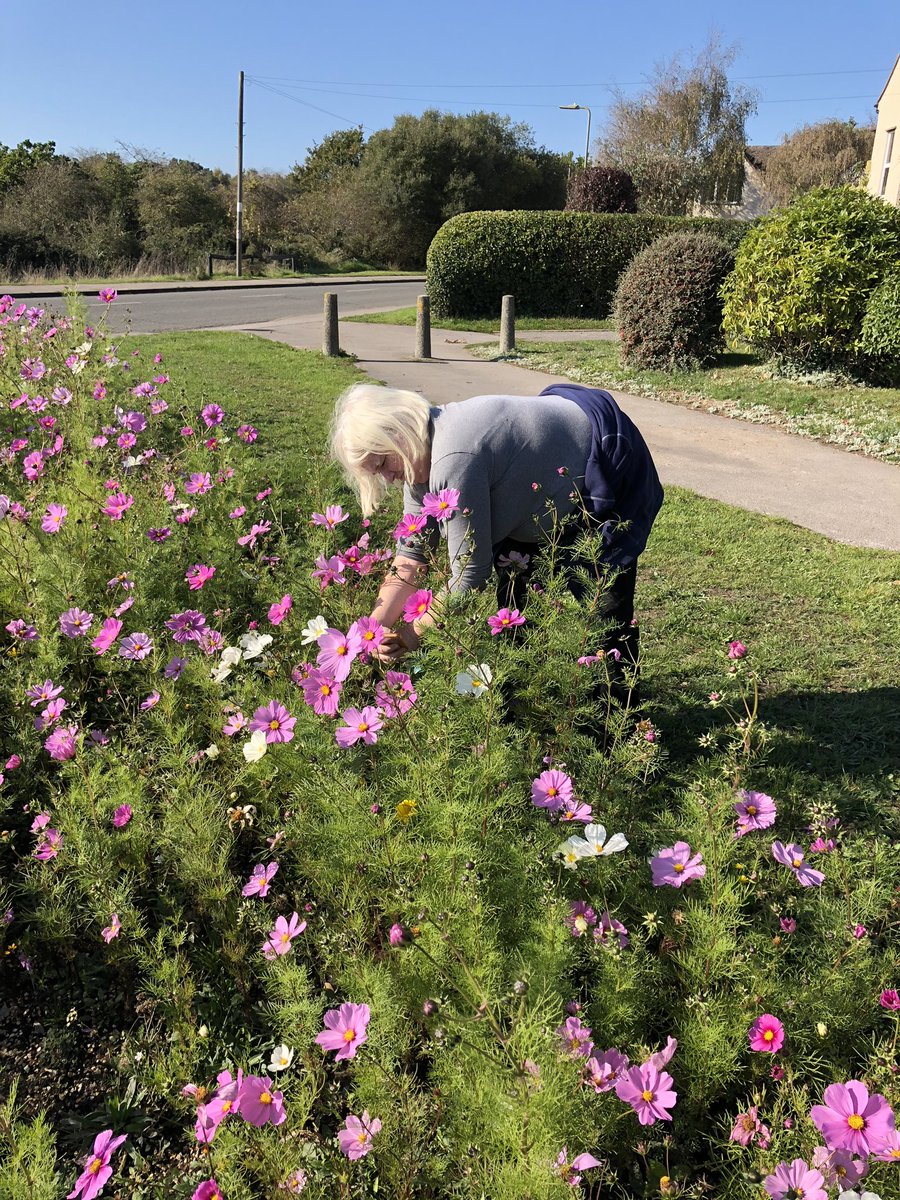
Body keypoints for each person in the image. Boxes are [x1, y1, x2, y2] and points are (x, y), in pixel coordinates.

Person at [330, 382, 663, 699]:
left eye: (384, 463)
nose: (387, 477)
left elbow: (469, 576)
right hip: (535, 484)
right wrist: (369, 632)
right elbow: (408, 559)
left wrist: (412, 634)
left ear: (399, 432)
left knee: (603, 607)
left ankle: (616, 716)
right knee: (513, 605)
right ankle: (521, 697)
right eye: (377, 473)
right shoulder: (419, 462)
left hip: (602, 459)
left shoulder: (453, 457)